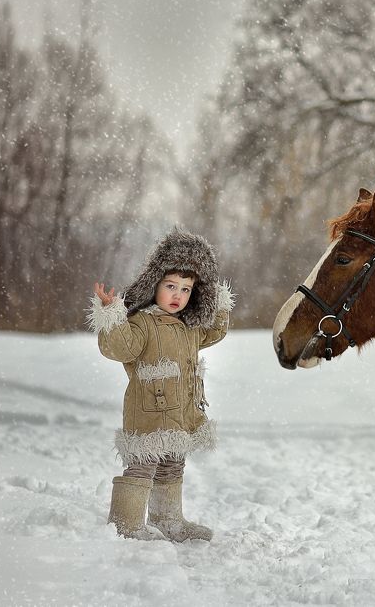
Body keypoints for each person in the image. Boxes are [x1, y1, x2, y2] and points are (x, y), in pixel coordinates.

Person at [87, 228, 234, 542]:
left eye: (185, 289)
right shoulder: (143, 323)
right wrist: (112, 314)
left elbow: (214, 333)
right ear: (154, 285)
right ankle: (125, 525)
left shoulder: (189, 326)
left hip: (180, 411)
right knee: (143, 467)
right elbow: (120, 347)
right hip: (150, 411)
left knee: (172, 465)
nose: (177, 295)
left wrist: (219, 306)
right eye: (170, 286)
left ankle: (169, 521)